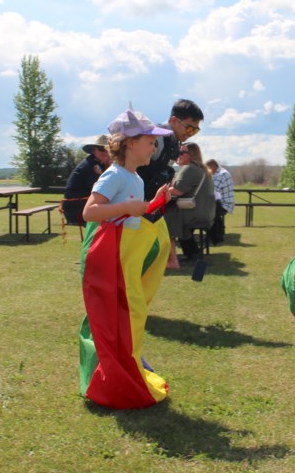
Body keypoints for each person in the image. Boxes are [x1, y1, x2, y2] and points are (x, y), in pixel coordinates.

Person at [79, 105, 173, 408]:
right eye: (150, 140)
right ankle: (113, 376)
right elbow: (90, 212)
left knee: (127, 316)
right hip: (108, 262)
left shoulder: (135, 177)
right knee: (114, 318)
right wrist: (125, 208)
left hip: (124, 261)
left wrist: (155, 203)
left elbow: (133, 217)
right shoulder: (115, 175)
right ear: (131, 143)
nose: (154, 146)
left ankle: (123, 367)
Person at [137, 99, 204, 201]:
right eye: (189, 129)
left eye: (194, 131)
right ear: (174, 121)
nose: (190, 134)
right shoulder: (156, 137)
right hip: (132, 199)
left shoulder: (174, 141)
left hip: (144, 201)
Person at [165, 142, 217, 263]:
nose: (179, 154)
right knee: (174, 217)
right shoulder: (201, 169)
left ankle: (182, 255)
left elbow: (178, 191)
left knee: (166, 218)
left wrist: (161, 191)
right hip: (204, 211)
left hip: (194, 211)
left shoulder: (189, 168)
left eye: (182, 152)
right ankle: (192, 253)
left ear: (191, 155)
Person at [62, 135, 111, 226]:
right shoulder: (91, 165)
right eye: (101, 148)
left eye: (108, 149)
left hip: (80, 205)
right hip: (76, 207)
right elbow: (101, 189)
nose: (105, 151)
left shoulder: (97, 163)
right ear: (93, 150)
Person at [205, 159, 234, 245]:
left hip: (223, 204)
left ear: (212, 166)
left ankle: (214, 237)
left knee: (206, 211)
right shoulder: (222, 172)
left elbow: (212, 190)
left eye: (207, 169)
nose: (207, 171)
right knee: (210, 209)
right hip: (224, 203)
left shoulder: (221, 174)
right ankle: (216, 235)